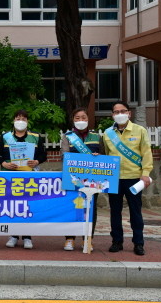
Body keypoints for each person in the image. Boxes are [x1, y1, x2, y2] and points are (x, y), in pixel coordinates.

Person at [103, 101, 153, 256]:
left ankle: (138, 243)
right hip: (114, 179)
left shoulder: (139, 131)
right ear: (112, 115)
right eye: (116, 112)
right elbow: (106, 155)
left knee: (135, 212)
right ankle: (117, 241)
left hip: (133, 178)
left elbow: (146, 153)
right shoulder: (107, 133)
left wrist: (145, 173)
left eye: (122, 111)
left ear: (129, 113)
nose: (120, 114)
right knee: (115, 212)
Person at [0, 109, 47, 249]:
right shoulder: (5, 137)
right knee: (12, 206)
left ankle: (27, 237)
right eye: (18, 118)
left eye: (24, 118)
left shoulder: (35, 137)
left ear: (27, 121)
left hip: (29, 178)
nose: (20, 121)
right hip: (10, 178)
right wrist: (4, 163)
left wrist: (36, 162)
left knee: (28, 206)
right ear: (13, 120)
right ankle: (13, 235)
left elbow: (43, 155)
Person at [60, 107, 103, 252]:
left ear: (88, 119)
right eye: (77, 118)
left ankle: (88, 239)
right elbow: (64, 156)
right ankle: (69, 239)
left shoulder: (96, 136)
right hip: (73, 179)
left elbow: (104, 156)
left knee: (91, 209)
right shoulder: (67, 136)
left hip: (93, 180)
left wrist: (98, 156)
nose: (81, 120)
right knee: (72, 207)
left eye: (83, 117)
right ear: (73, 120)